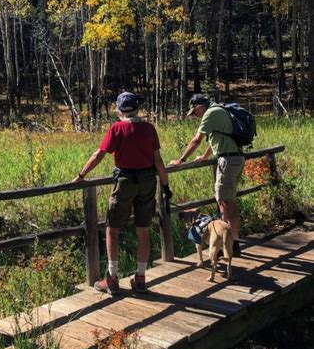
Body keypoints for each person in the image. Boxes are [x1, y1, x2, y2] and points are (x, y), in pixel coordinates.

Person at [72, 92, 171, 295]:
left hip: (125, 181)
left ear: (119, 110)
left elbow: (99, 154)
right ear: (137, 108)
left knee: (113, 229)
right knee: (143, 229)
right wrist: (166, 184)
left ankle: (112, 279)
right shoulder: (149, 128)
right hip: (147, 181)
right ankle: (141, 278)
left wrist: (82, 174)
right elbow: (158, 160)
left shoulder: (117, 128)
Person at [169, 94, 245, 256]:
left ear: (199, 106)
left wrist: (181, 160)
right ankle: (234, 242)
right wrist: (204, 157)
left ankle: (226, 246)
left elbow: (197, 139)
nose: (195, 116)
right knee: (230, 202)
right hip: (235, 157)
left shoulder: (210, 113)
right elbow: (216, 138)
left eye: (194, 112)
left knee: (224, 202)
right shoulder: (219, 110)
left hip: (228, 160)